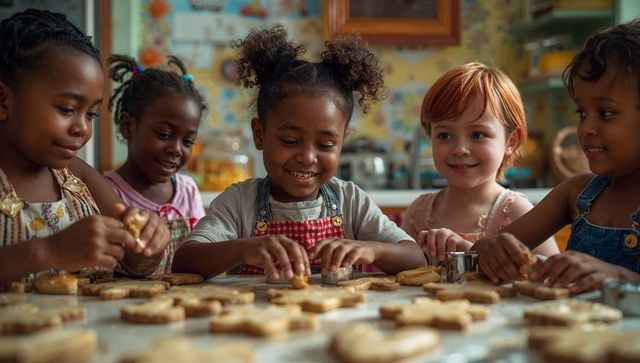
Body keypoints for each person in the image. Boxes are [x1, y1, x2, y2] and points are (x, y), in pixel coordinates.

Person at [173, 25, 426, 280]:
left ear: (342, 142)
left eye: (326, 145)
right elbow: (185, 260)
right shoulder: (240, 203)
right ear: (260, 134)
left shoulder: (350, 201)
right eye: (290, 140)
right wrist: (242, 248)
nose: (307, 157)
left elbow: (415, 258)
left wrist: (373, 250)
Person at [0, 9, 170, 285]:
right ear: (3, 100)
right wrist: (48, 251)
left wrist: (150, 242)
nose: (82, 128)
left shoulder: (79, 177)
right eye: (67, 109)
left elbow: (134, 264)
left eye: (90, 114)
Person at [473, 20, 640, 293]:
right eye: (582, 113)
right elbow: (478, 252)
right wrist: (493, 249)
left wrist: (619, 278)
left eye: (606, 113)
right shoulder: (577, 193)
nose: (585, 128)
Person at [402, 62, 559, 263]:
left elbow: (553, 276)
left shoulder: (517, 211)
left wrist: (474, 254)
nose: (460, 149)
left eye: (477, 135)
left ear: (510, 141)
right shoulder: (419, 212)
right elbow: (402, 272)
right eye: (444, 135)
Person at [104, 54, 207, 274]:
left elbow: (203, 249)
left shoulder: (187, 190)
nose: (177, 149)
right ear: (127, 126)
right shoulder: (106, 193)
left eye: (188, 141)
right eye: (164, 134)